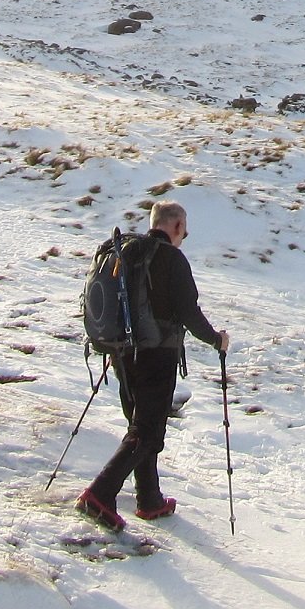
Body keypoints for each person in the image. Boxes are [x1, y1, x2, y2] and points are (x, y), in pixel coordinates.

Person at [78, 201, 228, 529]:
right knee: (146, 431)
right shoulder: (171, 259)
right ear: (175, 227)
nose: (183, 237)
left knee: (140, 425)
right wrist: (217, 340)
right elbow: (188, 312)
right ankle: (100, 494)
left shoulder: (128, 253)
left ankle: (149, 499)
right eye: (184, 231)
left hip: (120, 352)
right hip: (156, 353)